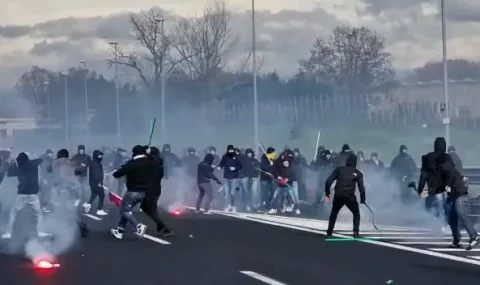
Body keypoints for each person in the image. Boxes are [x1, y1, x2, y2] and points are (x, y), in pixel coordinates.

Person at [2, 152, 50, 239]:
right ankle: (40, 231)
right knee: (38, 214)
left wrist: (12, 164)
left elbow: (9, 174)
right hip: (33, 195)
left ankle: (9, 232)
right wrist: (47, 153)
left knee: (14, 212)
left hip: (22, 195)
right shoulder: (33, 163)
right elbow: (41, 158)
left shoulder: (19, 168)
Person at [110, 145, 153, 240]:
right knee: (127, 211)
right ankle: (119, 231)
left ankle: (138, 226)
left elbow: (117, 174)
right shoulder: (149, 163)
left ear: (134, 153)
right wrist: (149, 154)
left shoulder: (132, 164)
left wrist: (122, 168)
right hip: (144, 193)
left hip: (133, 192)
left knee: (123, 211)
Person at [438, 158, 479, 250]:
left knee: (462, 215)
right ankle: (457, 241)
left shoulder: (449, 172)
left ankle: (474, 236)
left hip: (460, 196)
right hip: (453, 196)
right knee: (452, 218)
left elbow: (454, 183)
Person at [324, 153, 366, 238]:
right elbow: (361, 187)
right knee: (356, 213)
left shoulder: (339, 169)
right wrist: (362, 199)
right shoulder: (357, 173)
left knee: (334, 212)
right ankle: (356, 232)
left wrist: (327, 192)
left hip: (338, 195)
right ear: (355, 163)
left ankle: (329, 231)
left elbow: (328, 181)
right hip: (349, 196)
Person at [141, 146, 174, 237]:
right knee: (149, 208)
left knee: (150, 210)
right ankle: (161, 226)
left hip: (150, 190)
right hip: (155, 189)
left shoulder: (152, 164)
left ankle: (164, 228)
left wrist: (145, 156)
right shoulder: (159, 163)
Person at [84, 150, 107, 216]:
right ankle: (99, 209)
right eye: (99, 155)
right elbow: (97, 174)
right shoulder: (97, 164)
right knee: (102, 195)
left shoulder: (93, 163)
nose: (101, 156)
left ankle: (88, 204)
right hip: (97, 183)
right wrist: (99, 182)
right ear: (96, 156)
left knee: (94, 194)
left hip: (92, 183)